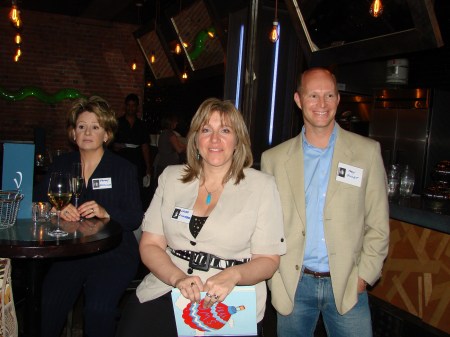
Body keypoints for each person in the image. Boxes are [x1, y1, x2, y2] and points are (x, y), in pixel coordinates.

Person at [116, 98, 286, 337]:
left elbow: (268, 260)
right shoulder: (171, 178)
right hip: (168, 286)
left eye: (225, 130)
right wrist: (178, 278)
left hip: (230, 297)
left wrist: (234, 275)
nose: (215, 139)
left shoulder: (262, 186)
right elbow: (150, 244)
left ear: (238, 141)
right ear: (195, 139)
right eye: (206, 130)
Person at [261, 67, 390, 337]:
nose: (322, 104)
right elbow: (265, 227)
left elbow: (378, 224)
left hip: (347, 285)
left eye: (329, 95)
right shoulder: (273, 159)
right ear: (298, 100)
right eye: (313, 96)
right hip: (293, 285)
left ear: (338, 99)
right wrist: (276, 279)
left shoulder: (367, 152)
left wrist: (364, 276)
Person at [37, 96, 143, 337]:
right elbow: (37, 201)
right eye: (81, 126)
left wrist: (106, 212)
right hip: (70, 252)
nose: (87, 132)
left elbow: (135, 217)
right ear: (73, 133)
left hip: (113, 252)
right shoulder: (62, 164)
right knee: (49, 304)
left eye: (95, 127)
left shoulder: (123, 169)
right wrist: (56, 209)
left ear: (106, 134)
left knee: (98, 310)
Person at [113, 93, 152, 207]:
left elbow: (145, 146)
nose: (131, 108)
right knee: (120, 184)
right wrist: (115, 145)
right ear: (125, 106)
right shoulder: (118, 123)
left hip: (136, 158)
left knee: (136, 187)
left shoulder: (141, 125)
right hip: (121, 157)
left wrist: (148, 167)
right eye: (128, 105)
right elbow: (109, 142)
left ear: (137, 107)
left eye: (133, 105)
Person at [153, 113, 187, 180]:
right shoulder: (170, 134)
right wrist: (188, 147)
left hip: (161, 163)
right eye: (175, 121)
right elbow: (179, 149)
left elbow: (179, 144)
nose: (176, 123)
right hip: (168, 164)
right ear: (170, 122)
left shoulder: (163, 133)